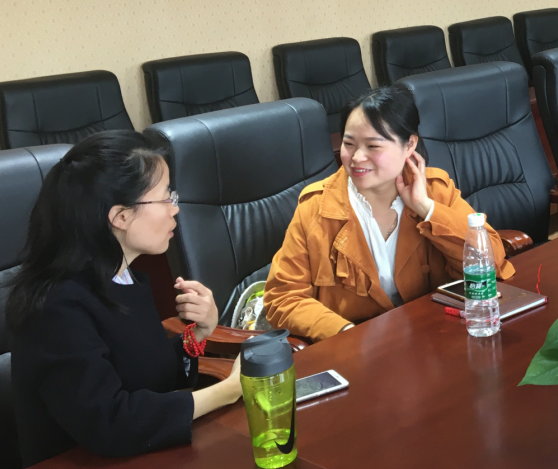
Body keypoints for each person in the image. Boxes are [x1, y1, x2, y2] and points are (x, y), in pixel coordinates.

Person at [5, 131, 242, 468]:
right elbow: (110, 422)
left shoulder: (121, 277)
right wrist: (228, 390)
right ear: (120, 217)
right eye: (165, 198)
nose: (175, 209)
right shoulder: (55, 307)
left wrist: (197, 335)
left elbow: (149, 377)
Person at [264, 85, 515, 343]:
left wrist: (425, 208)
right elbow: (282, 298)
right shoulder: (316, 207)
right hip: (355, 349)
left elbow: (491, 262)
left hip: (432, 339)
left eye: (373, 146)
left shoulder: (435, 190)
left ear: (409, 145)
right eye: (348, 144)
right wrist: (346, 334)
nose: (356, 158)